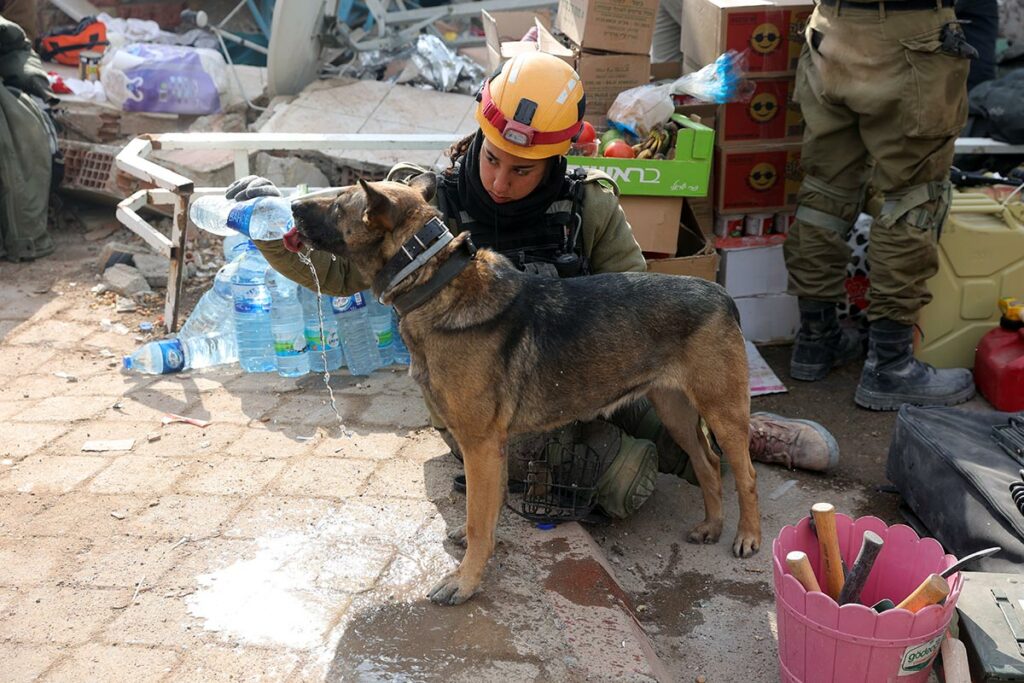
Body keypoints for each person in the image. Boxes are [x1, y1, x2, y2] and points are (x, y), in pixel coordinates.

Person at [234, 53, 839, 520]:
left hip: (578, 373)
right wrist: (274, 233)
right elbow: (341, 270)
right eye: (493, 158)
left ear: (555, 159)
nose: (500, 180)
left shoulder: (587, 205)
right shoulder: (424, 200)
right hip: (485, 396)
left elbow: (633, 301)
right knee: (625, 478)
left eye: (522, 170)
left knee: (685, 422)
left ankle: (745, 429)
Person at [783, 0, 978, 410]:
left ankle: (815, 342)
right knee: (912, 197)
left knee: (825, 189)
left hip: (832, 31)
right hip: (911, 41)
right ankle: (890, 365)